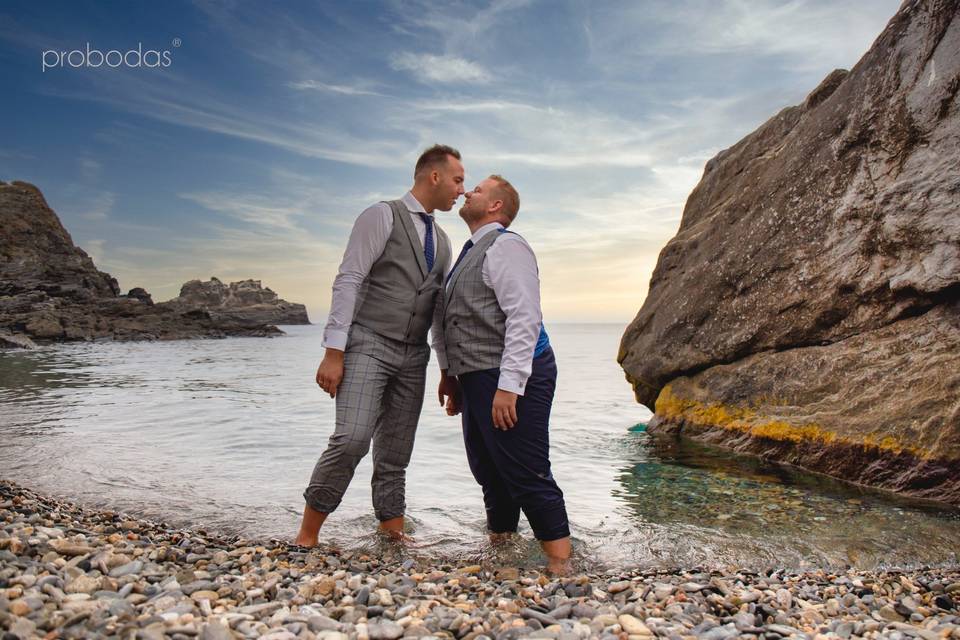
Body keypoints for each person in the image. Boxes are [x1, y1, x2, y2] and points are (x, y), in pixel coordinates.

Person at [295, 144, 464, 546]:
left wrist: (446, 370)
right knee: (351, 438)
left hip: (414, 356)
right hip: (368, 342)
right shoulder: (381, 215)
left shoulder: (442, 241)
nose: (462, 189)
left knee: (395, 455)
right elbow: (349, 278)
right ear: (434, 176)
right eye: (457, 179)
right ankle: (306, 535)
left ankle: (392, 536)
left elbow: (438, 311)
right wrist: (333, 351)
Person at [436, 175, 571, 574]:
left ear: (496, 206)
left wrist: (509, 388)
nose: (467, 192)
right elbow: (451, 318)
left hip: (514, 372)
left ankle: (561, 565)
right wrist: (450, 375)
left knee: (526, 469)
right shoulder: (468, 251)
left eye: (477, 189)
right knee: (489, 470)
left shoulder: (507, 246)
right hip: (476, 375)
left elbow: (524, 319)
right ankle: (502, 551)